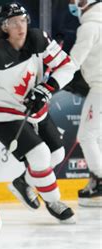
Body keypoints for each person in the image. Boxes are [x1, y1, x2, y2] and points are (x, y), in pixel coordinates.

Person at [0, 2, 78, 223]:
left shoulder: (38, 39)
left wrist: (46, 88)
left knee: (55, 155)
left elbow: (68, 66)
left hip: (35, 112)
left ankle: (23, 182)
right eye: (14, 22)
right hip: (5, 116)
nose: (21, 26)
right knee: (40, 156)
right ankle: (54, 201)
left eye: (23, 20)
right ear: (5, 27)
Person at [67, 0, 101, 207]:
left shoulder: (89, 26)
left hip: (100, 87)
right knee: (97, 135)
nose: (72, 5)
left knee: (87, 135)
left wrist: (52, 79)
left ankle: (100, 181)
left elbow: (73, 62)